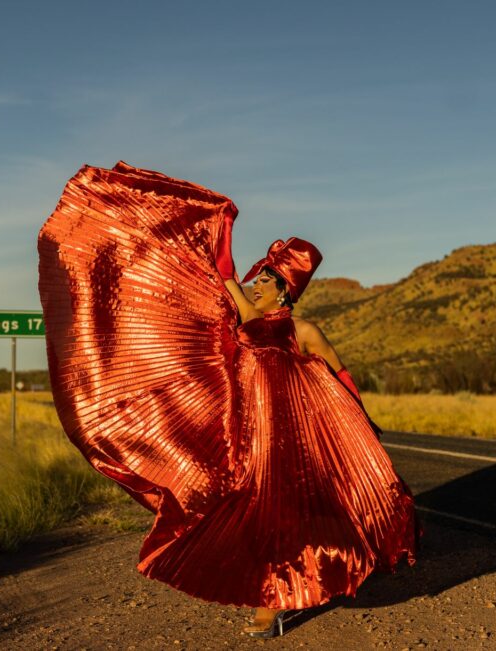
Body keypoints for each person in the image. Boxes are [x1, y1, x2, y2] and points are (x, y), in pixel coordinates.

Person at [38, 162, 418, 640]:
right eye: (255, 279)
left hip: (299, 439)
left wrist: (361, 428)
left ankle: (292, 592)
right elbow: (223, 281)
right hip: (248, 433)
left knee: (307, 512)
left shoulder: (303, 332)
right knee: (255, 513)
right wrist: (205, 229)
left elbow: (339, 379)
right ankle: (274, 595)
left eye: (265, 281)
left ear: (284, 290)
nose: (255, 285)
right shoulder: (243, 323)